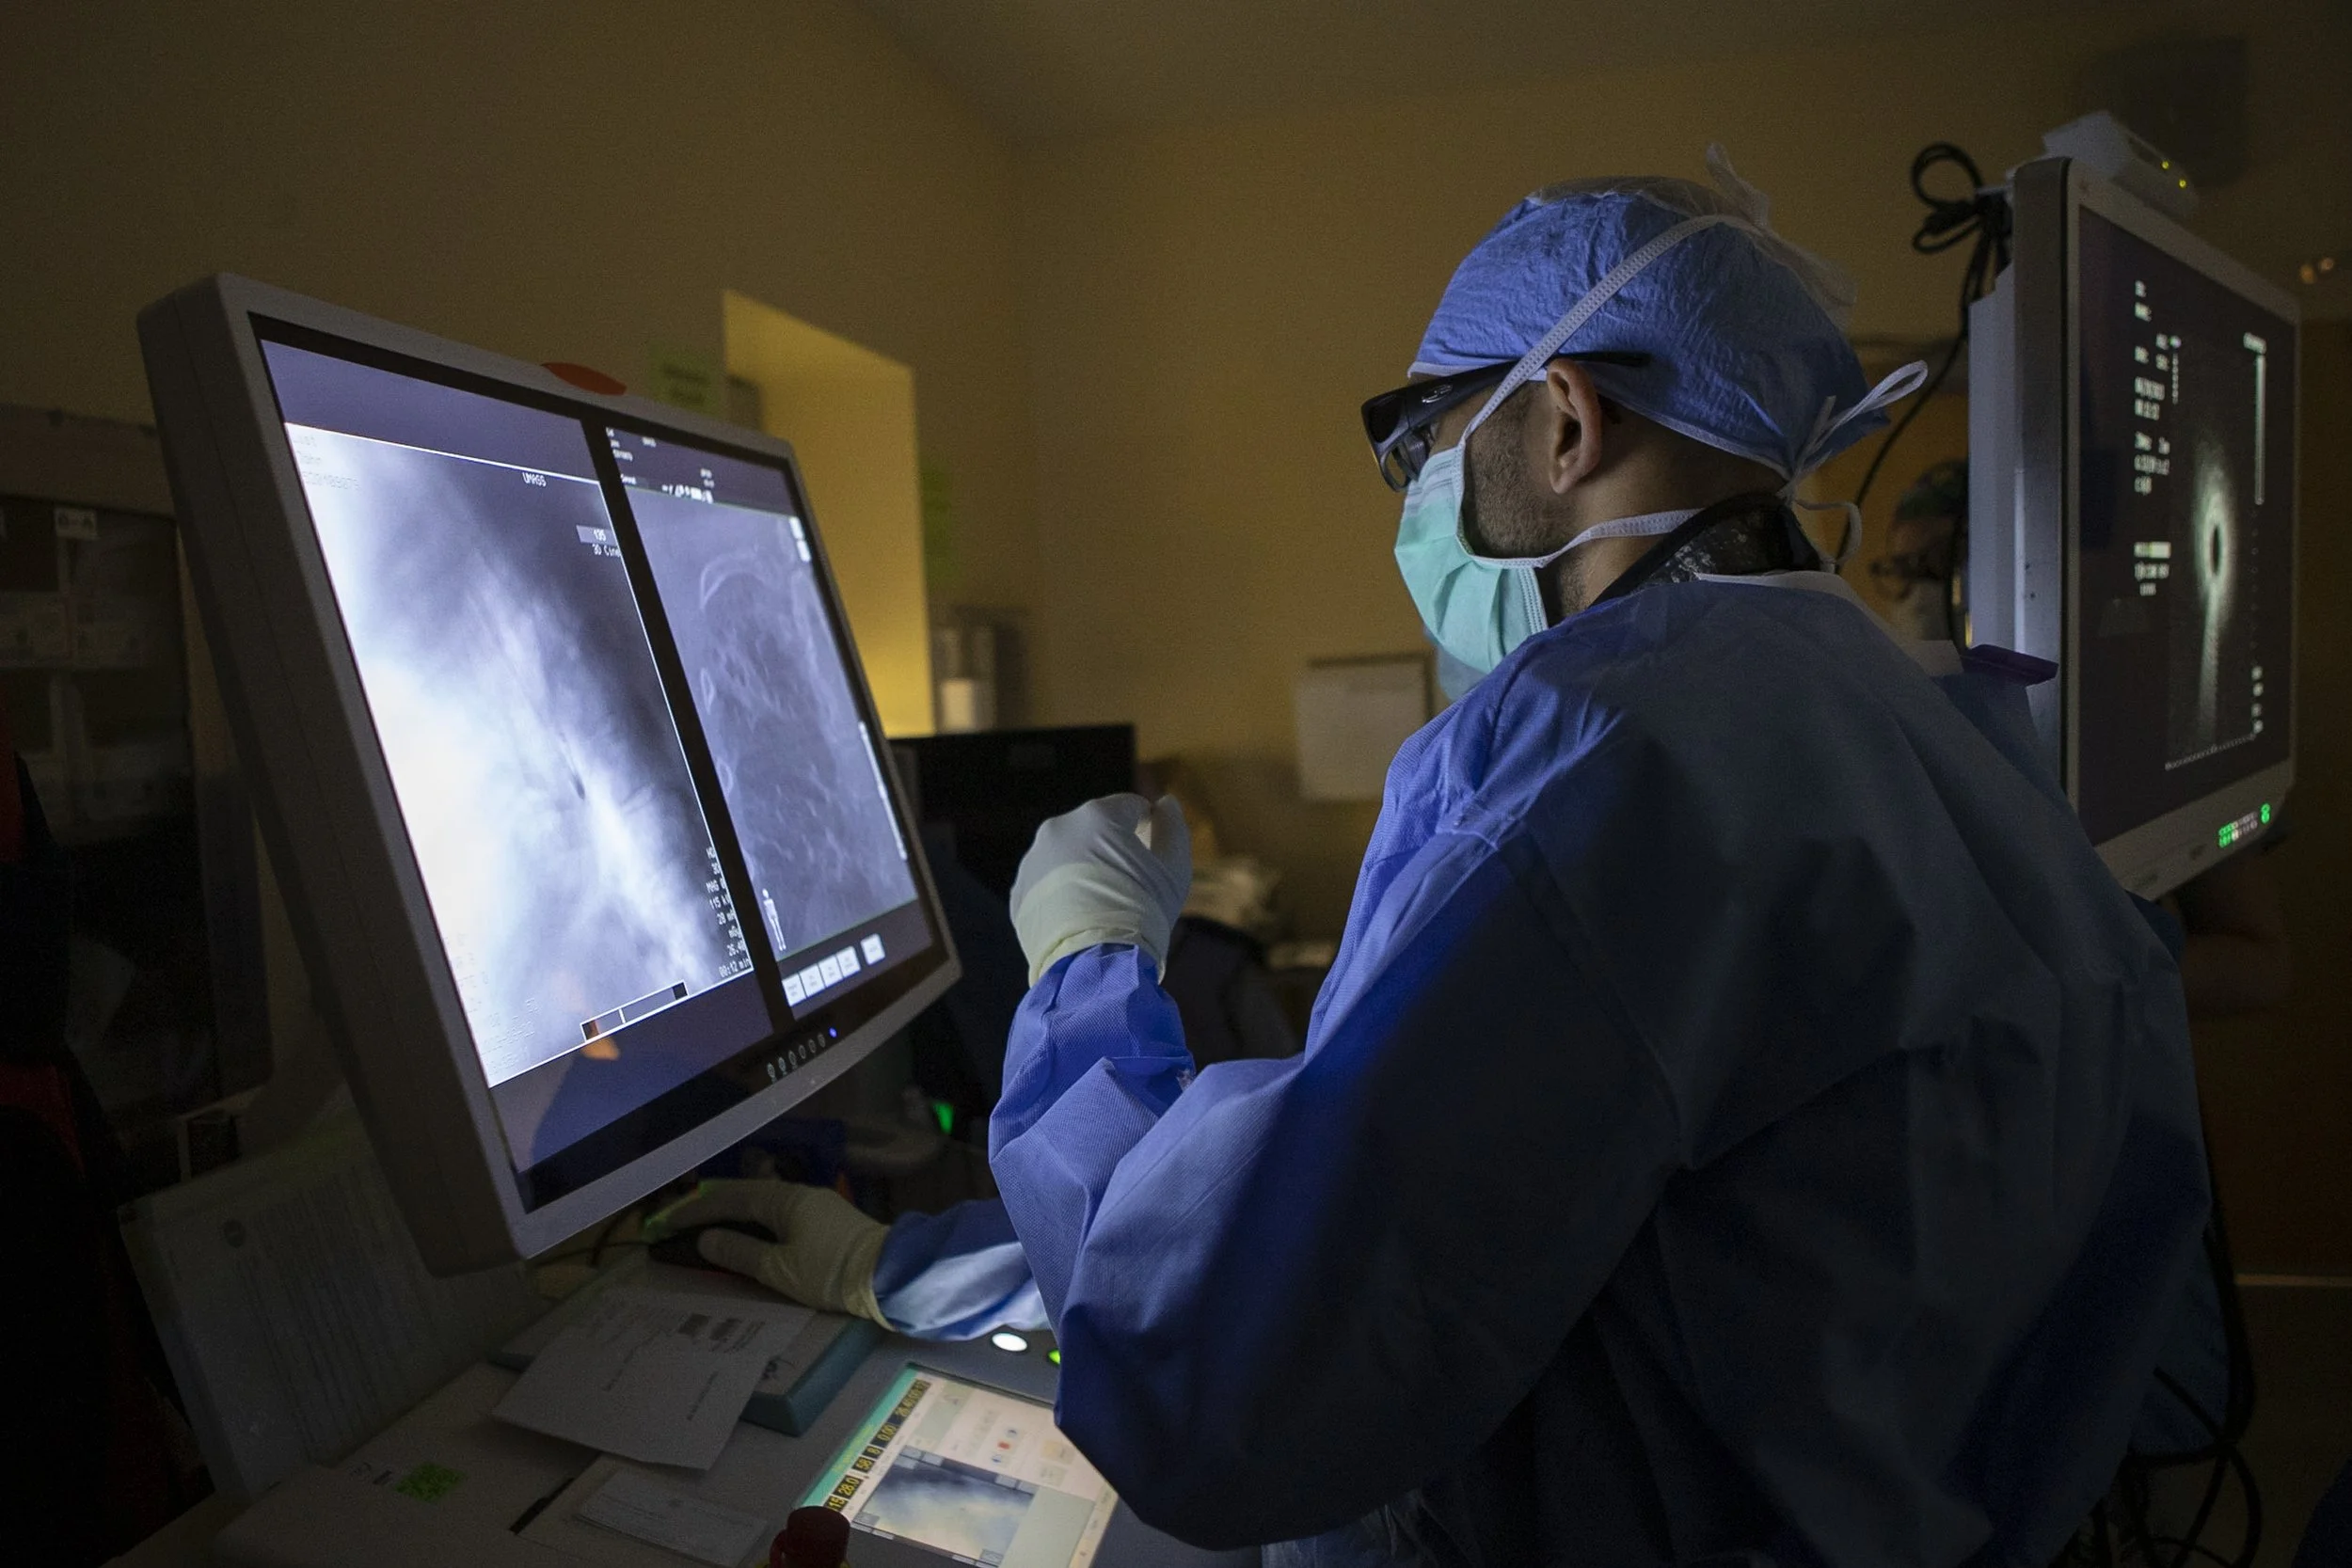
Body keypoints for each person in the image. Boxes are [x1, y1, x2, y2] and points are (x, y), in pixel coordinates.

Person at [676, 150, 2213, 1566]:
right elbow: (1440, 1219)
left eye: (1426, 435)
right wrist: (905, 1271)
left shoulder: (1594, 756)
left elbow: (1236, 1379)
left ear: (1563, 420)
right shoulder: (1951, 726)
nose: (1418, 494)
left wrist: (1084, 969)